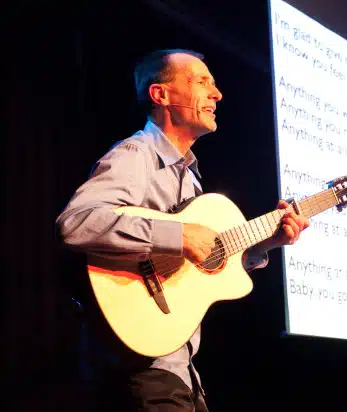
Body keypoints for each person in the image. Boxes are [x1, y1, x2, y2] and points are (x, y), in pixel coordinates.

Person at [56, 48, 310, 411]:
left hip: (180, 370)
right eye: (201, 82)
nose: (217, 94)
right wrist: (177, 236)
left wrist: (265, 243)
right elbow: (76, 222)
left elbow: (204, 267)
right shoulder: (136, 154)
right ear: (161, 95)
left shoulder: (190, 177)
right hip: (141, 370)